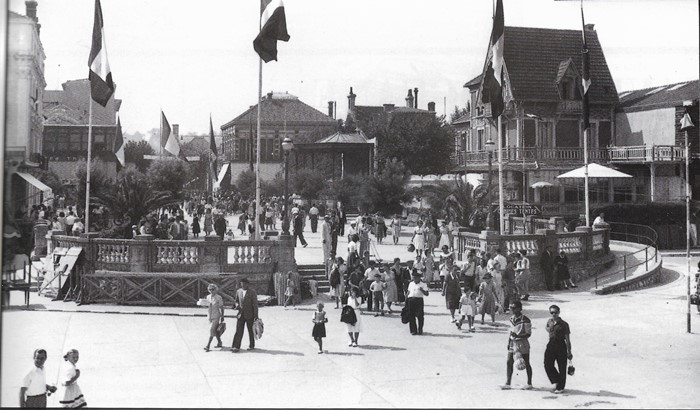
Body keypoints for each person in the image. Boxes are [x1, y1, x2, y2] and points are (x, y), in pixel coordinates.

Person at [501, 301, 533, 390]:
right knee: (509, 362)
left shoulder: (525, 320)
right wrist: (509, 342)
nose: (512, 310)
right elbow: (511, 332)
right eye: (511, 308)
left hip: (522, 344)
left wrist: (518, 336)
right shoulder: (511, 319)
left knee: (526, 362)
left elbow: (528, 334)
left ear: (519, 309)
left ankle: (529, 383)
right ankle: (508, 383)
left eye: (514, 308)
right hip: (513, 343)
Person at [544, 304, 573, 394]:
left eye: (555, 312)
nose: (553, 314)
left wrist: (569, 352)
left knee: (562, 367)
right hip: (551, 345)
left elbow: (567, 339)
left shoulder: (564, 324)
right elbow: (547, 328)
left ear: (559, 312)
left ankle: (560, 387)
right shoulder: (549, 321)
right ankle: (556, 381)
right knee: (547, 364)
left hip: (561, 346)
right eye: (551, 312)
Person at [232, 278, 258, 352]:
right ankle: (236, 346)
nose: (243, 285)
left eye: (244, 284)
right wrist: (237, 305)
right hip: (240, 314)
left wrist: (256, 316)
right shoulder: (238, 291)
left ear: (247, 284)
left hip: (250, 314)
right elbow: (236, 301)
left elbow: (255, 305)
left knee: (250, 330)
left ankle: (251, 345)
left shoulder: (252, 292)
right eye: (241, 284)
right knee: (239, 330)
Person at [406, 270, 429, 335]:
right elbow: (408, 292)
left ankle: (420, 329)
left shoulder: (423, 284)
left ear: (419, 278)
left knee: (420, 315)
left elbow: (427, 294)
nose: (414, 279)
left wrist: (422, 290)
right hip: (411, 300)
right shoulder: (411, 284)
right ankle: (413, 330)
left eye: (415, 278)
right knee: (411, 316)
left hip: (419, 300)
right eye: (413, 278)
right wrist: (406, 300)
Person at [203, 284, 225, 351]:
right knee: (215, 330)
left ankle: (208, 345)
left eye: (213, 289)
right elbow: (207, 306)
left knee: (211, 329)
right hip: (210, 316)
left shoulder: (219, 297)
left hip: (216, 316)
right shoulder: (208, 297)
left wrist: (222, 316)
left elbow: (221, 307)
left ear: (215, 289)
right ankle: (219, 342)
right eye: (210, 289)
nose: (211, 291)